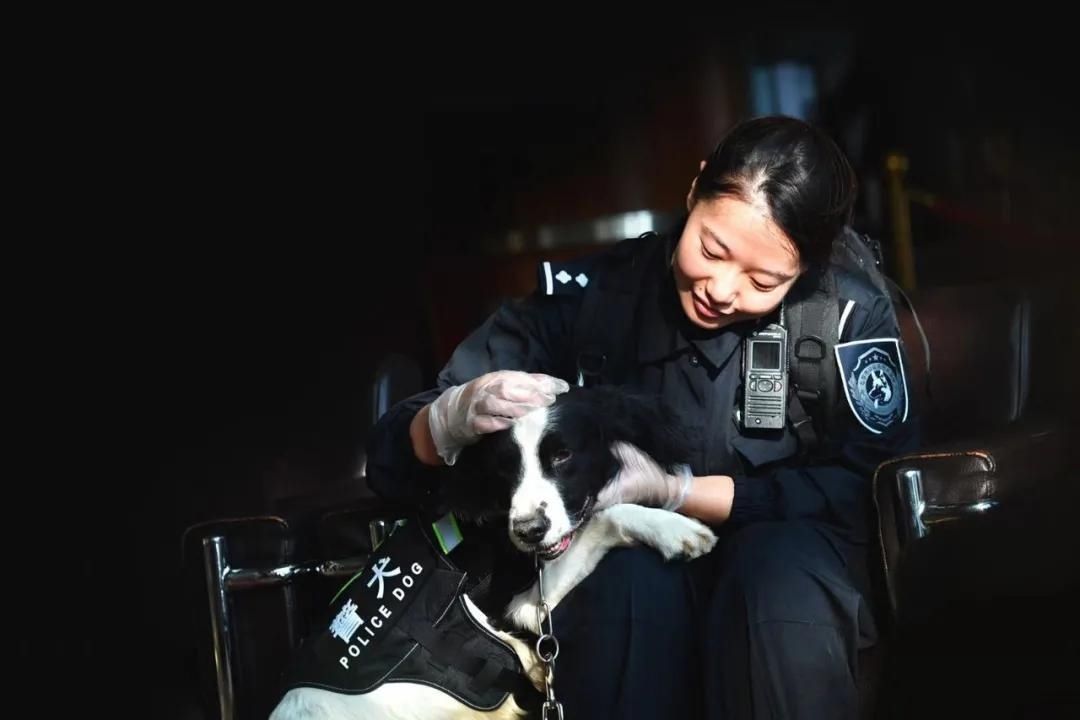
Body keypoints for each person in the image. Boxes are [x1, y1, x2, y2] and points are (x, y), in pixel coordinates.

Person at [365, 115, 921, 719]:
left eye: (764, 280)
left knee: (778, 577)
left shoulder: (845, 320)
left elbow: (873, 488)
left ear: (806, 269)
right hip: (629, 594)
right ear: (694, 190)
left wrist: (682, 492)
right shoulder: (593, 298)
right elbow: (393, 458)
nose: (722, 289)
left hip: (786, 591)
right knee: (629, 575)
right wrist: (446, 420)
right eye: (712, 249)